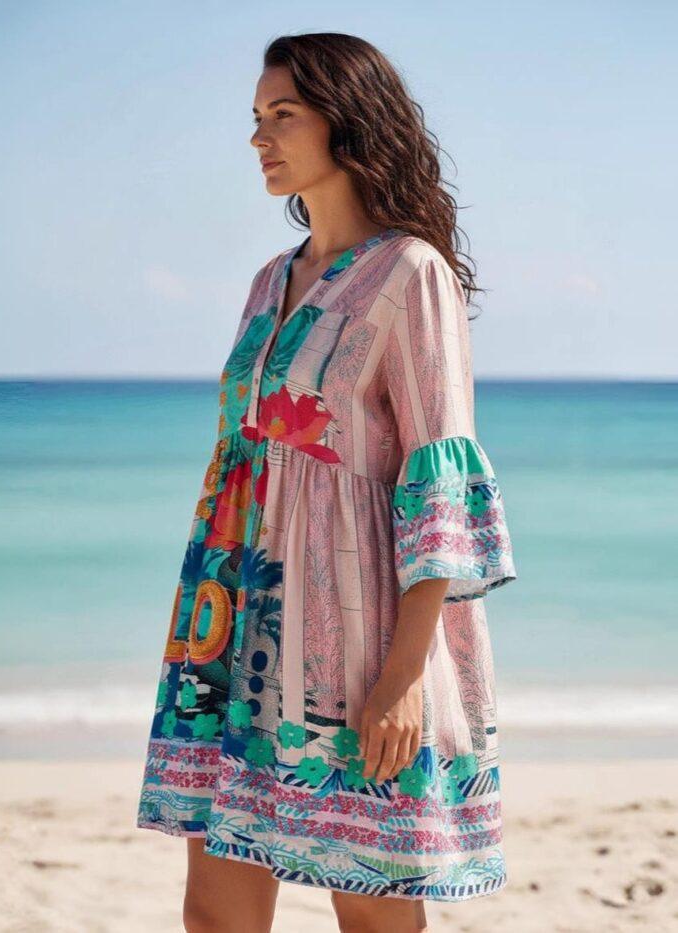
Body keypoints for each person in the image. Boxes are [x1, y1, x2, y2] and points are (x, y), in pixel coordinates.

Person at [136, 32, 517, 933]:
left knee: (372, 912)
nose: (259, 137)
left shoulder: (410, 272)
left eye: (284, 114)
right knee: (214, 912)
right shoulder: (270, 280)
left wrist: (403, 676)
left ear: (345, 122)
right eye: (255, 117)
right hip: (232, 621)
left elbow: (437, 482)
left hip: (354, 636)